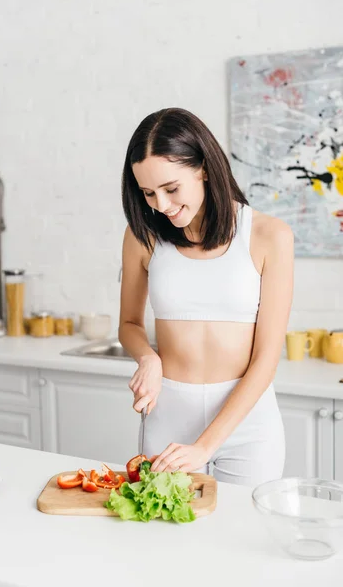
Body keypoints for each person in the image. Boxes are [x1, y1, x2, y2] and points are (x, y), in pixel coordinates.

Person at [118, 107, 294, 486]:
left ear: (205, 169)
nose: (160, 205)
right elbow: (129, 324)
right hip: (167, 418)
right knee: (164, 538)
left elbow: (265, 360)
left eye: (171, 188)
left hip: (246, 424)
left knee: (243, 540)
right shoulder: (143, 236)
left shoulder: (269, 235)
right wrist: (148, 358)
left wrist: (205, 446)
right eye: (148, 192)